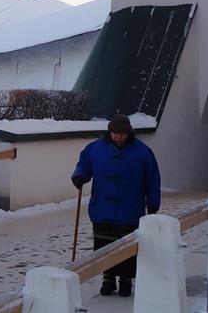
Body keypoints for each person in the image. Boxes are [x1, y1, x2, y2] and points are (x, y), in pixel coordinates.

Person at [70, 114, 161, 299]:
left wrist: (152, 203)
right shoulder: (95, 149)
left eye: (121, 133)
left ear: (128, 133)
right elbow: (84, 164)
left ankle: (126, 280)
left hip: (131, 208)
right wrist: (79, 175)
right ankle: (108, 279)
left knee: (127, 247)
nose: (118, 136)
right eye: (114, 133)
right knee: (104, 246)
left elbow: (152, 179)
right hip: (102, 208)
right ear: (109, 131)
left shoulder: (143, 152)